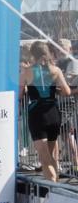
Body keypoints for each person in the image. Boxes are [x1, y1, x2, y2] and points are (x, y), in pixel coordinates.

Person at [21, 41, 72, 181]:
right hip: (53, 113)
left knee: (44, 157)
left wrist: (27, 89)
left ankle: (53, 188)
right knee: (51, 154)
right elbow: (67, 92)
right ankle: (54, 184)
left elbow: (19, 94)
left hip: (38, 114)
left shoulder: (27, 71)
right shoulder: (56, 70)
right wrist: (54, 89)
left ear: (32, 54)